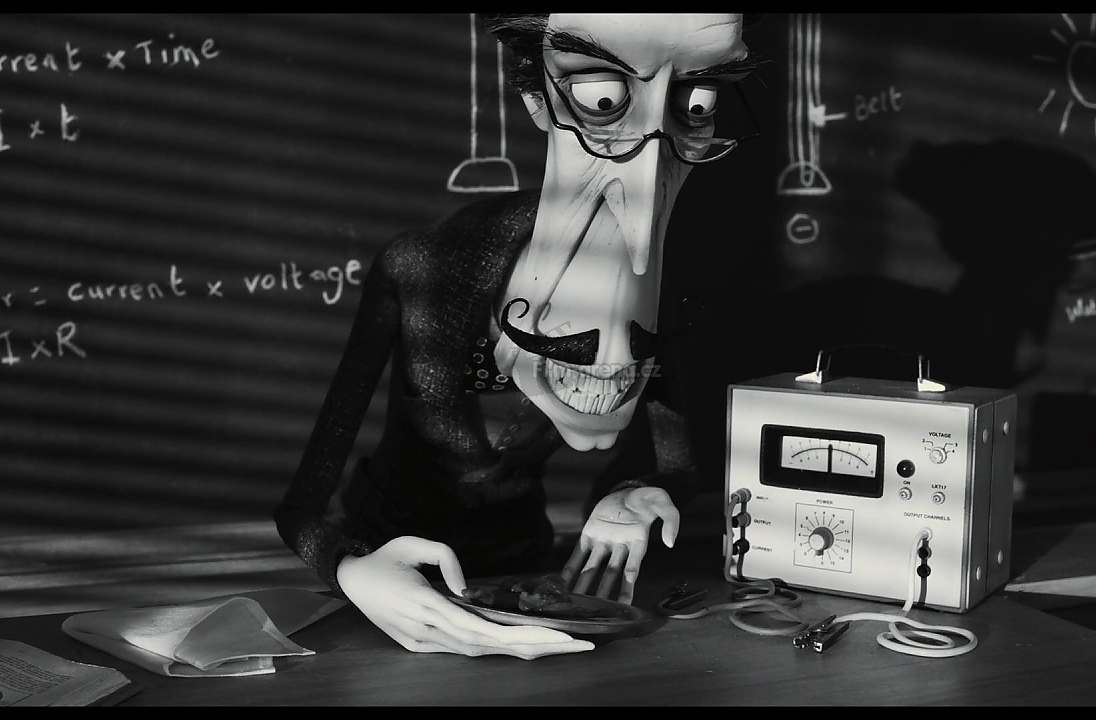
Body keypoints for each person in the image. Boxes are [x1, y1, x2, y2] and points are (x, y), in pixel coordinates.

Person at [274, 13, 766, 660]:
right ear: (540, 98)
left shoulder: (655, 292)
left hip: (530, 566)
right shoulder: (424, 269)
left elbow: (678, 467)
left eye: (697, 102)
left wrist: (634, 495)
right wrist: (350, 568)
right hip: (389, 562)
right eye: (602, 99)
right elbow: (300, 507)